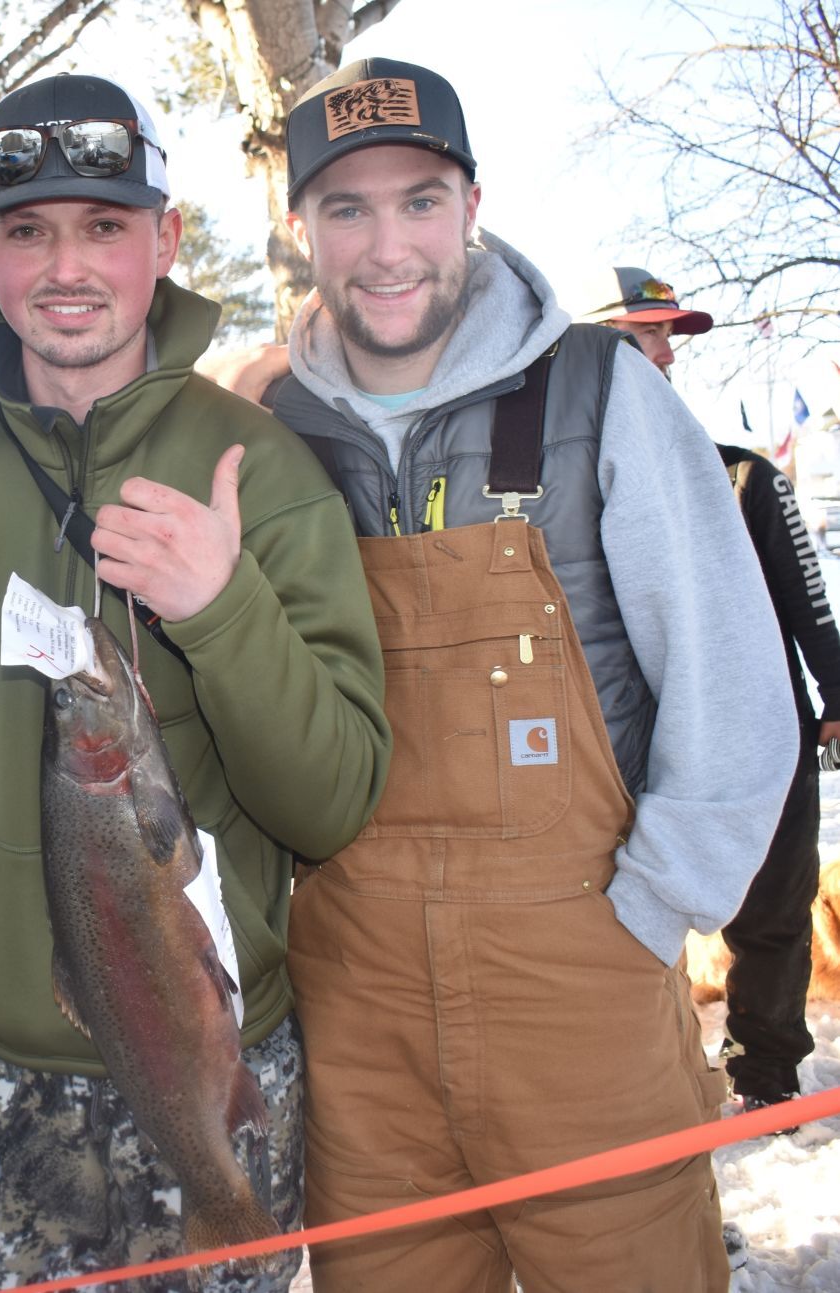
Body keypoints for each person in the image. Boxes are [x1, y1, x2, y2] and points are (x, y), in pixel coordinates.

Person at [258, 58, 795, 1292]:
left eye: (419, 201)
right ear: (301, 231)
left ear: (473, 204)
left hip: (581, 990)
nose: (386, 246)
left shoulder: (602, 396)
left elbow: (732, 681)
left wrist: (649, 913)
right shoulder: (271, 431)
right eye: (346, 209)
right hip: (357, 1013)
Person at [0, 73, 390, 1292]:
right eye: (28, 231)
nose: (67, 266)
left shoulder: (258, 464)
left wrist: (222, 613)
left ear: (165, 240)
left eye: (105, 226)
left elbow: (334, 802)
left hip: (218, 1057)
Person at [578, 265, 840, 1115]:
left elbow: (810, 601)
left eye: (667, 338)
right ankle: (644, 1084)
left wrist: (836, 695)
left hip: (762, 736)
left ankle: (762, 1076)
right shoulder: (556, 486)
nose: (665, 355)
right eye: (644, 334)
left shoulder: (743, 477)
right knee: (624, 918)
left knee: (772, 911)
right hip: (617, 745)